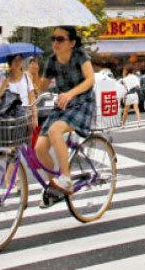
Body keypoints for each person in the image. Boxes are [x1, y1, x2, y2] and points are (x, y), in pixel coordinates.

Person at [34, 26, 95, 195]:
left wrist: (71, 93)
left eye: (60, 39)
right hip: (63, 105)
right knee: (39, 148)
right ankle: (54, 184)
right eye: (53, 39)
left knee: (55, 131)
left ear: (72, 43)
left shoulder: (80, 56)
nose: (55, 43)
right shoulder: (52, 61)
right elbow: (41, 88)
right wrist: (34, 74)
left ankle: (66, 178)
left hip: (83, 102)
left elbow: (90, 80)